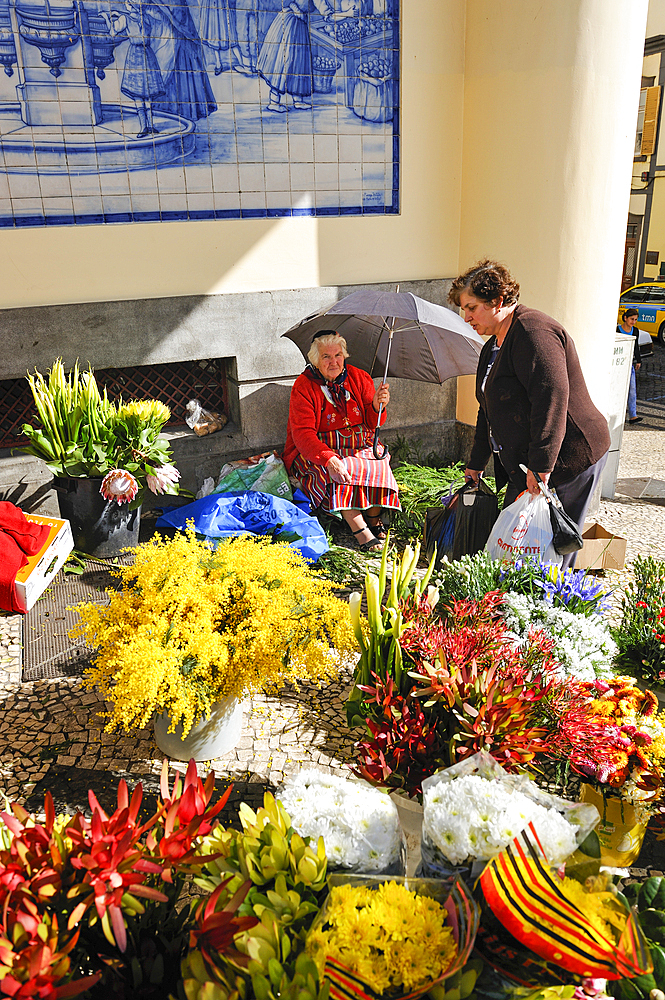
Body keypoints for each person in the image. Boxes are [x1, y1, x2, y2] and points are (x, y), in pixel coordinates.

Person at [451, 259, 611, 569]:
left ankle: (548, 608)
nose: (466, 316)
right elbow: (488, 410)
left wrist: (541, 467)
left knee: (550, 544)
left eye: (471, 307)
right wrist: (476, 462)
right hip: (528, 462)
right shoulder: (493, 345)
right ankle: (518, 605)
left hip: (567, 455)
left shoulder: (533, 332)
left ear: (497, 300)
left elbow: (551, 398)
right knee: (518, 544)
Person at [283, 331, 400, 552]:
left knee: (378, 462)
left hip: (359, 442)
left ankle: (373, 519)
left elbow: (373, 422)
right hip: (317, 449)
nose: (333, 361)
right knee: (341, 470)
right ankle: (361, 531)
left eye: (337, 355)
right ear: (316, 361)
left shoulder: (359, 377)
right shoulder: (304, 386)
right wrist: (329, 459)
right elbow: (303, 435)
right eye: (326, 357)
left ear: (344, 355)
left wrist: (377, 406)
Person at [257, 0, 333, 113]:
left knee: (298, 62)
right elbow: (327, 14)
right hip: (290, 23)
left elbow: (325, 11)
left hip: (298, 24)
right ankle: (274, 101)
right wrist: (296, 9)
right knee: (284, 61)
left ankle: (298, 99)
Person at [111, 2, 165, 137]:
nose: (127, 5)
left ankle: (146, 127)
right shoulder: (144, 18)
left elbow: (112, 31)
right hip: (145, 54)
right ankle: (148, 126)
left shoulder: (126, 18)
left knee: (141, 94)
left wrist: (108, 18)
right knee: (144, 94)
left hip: (138, 55)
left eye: (128, 3)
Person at [617, 307, 643, 425]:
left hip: (629, 363)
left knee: (632, 389)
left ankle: (633, 415)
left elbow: (635, 346)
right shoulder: (617, 329)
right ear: (625, 318)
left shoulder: (635, 331)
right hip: (618, 362)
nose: (633, 321)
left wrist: (638, 360)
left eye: (635, 319)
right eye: (632, 319)